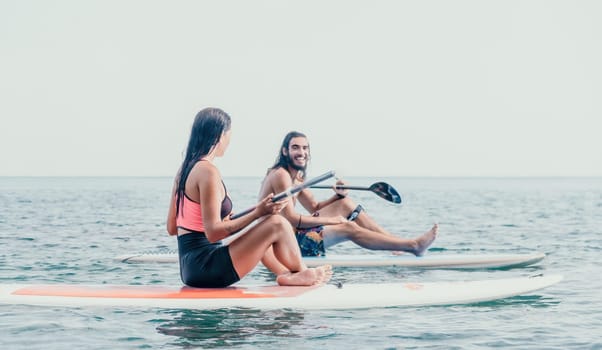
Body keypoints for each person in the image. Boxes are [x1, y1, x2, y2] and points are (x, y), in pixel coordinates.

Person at [166, 109, 332, 288]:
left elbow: (173, 227)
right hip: (206, 268)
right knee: (277, 223)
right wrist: (258, 213)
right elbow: (213, 233)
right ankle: (302, 272)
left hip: (190, 268)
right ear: (220, 135)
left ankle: (286, 274)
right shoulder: (208, 171)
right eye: (229, 134)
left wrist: (244, 216)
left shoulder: (183, 171)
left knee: (263, 231)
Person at [258, 131, 438, 259]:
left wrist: (338, 196)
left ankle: (396, 245)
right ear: (285, 151)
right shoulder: (280, 175)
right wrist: (333, 221)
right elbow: (291, 219)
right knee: (349, 229)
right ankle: (413, 246)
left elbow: (314, 208)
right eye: (296, 148)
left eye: (305, 148)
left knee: (346, 204)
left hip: (292, 234)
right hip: (281, 244)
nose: (302, 153)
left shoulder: (295, 177)